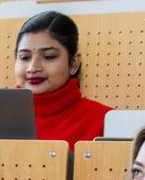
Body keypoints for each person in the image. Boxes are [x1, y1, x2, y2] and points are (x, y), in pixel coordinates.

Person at [14, 11, 112, 151]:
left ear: (74, 64)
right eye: (24, 57)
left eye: (48, 56)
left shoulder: (105, 122)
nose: (33, 68)